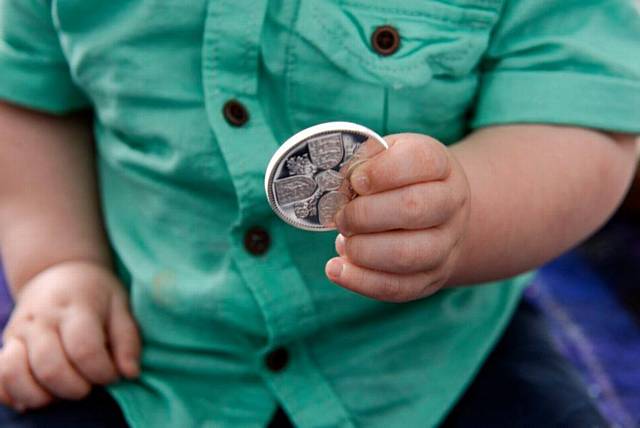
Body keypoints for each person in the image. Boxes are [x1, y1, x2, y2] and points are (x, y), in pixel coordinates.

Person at [0, 0, 638, 427]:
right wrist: (61, 262)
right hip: (146, 348)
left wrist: (468, 216)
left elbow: (586, 114)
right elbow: (27, 94)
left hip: (429, 355)